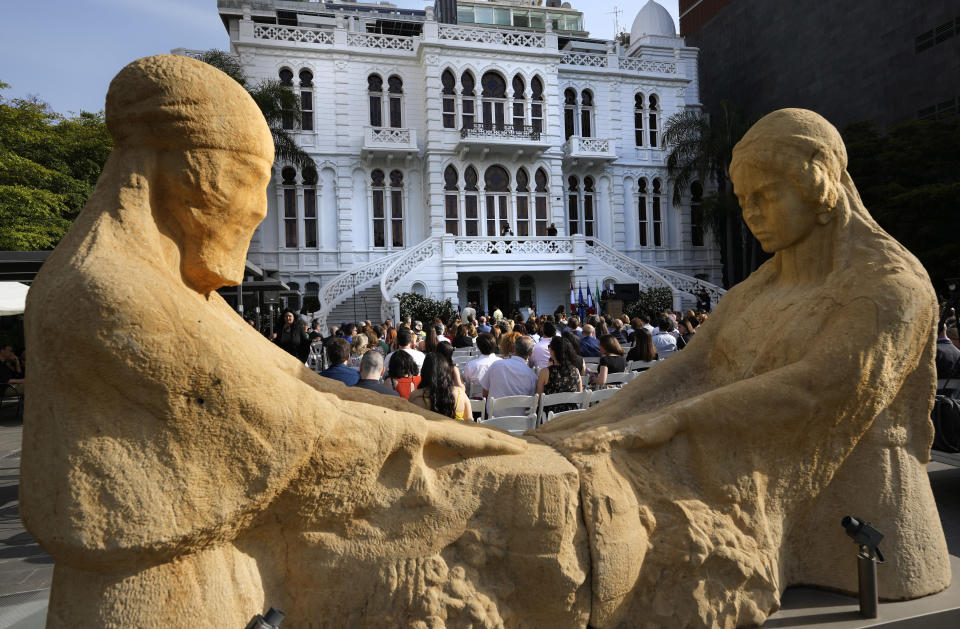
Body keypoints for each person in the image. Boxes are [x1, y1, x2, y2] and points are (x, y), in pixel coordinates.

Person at [538, 109, 951, 622]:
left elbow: (819, 387)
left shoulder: (890, 286)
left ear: (818, 183)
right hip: (762, 499)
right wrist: (607, 415)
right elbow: (691, 365)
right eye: (743, 200)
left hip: (864, 522)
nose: (751, 213)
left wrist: (668, 422)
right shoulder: (757, 288)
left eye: (767, 195)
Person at [480, 336, 537, 416]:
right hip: (519, 422)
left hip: (493, 418)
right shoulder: (532, 376)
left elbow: (485, 393)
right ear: (530, 353)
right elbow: (529, 404)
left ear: (514, 349)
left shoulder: (497, 365)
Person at [409, 352, 471, 421]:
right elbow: (470, 422)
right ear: (446, 371)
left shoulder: (415, 396)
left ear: (424, 371)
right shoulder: (461, 394)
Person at [537, 336, 583, 416]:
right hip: (570, 414)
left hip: (550, 415)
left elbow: (539, 400)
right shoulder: (576, 371)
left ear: (553, 351)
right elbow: (579, 396)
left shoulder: (545, 372)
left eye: (549, 347)